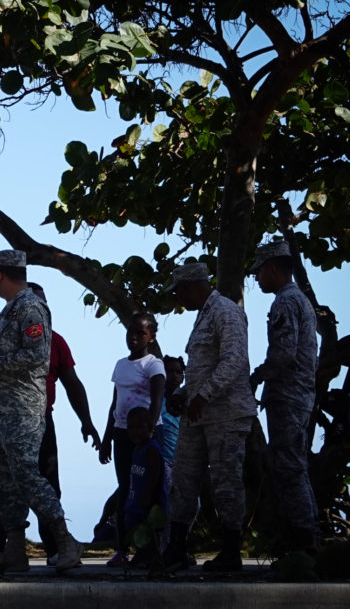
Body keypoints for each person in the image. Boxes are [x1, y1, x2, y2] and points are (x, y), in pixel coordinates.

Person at [0, 249, 83, 573]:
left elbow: (37, 357)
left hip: (22, 410)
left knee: (28, 476)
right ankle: (14, 549)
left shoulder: (31, 307)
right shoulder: (7, 312)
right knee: (4, 483)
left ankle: (64, 542)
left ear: (0, 274)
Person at [162, 262, 258, 572]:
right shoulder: (203, 314)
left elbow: (234, 361)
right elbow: (204, 367)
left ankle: (230, 552)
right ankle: (176, 547)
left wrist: (203, 395)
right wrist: (185, 393)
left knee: (226, 482)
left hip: (226, 416)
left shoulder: (225, 312)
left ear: (190, 287)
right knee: (183, 479)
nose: (179, 300)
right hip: (197, 415)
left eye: (179, 293)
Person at [249, 241, 320, 553]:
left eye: (259, 272)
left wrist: (256, 377)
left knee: (289, 469)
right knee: (295, 466)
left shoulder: (285, 303)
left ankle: (304, 543)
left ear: (273, 269)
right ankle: (305, 539)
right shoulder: (299, 300)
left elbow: (283, 355)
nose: (256, 278)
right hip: (298, 395)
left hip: (288, 396)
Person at [98, 312, 165, 567]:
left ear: (151, 336)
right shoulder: (120, 365)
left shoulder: (153, 365)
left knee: (149, 491)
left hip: (146, 436)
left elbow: (158, 399)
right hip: (122, 433)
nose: (134, 337)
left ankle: (149, 547)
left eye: (141, 333)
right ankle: (121, 548)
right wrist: (107, 438)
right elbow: (115, 402)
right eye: (131, 332)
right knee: (125, 489)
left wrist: (147, 432)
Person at [122, 406, 166, 569]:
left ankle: (151, 557)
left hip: (148, 501)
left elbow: (155, 473)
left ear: (150, 427)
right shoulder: (137, 449)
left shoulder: (152, 449)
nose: (135, 432)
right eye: (131, 427)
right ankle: (141, 555)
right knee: (133, 527)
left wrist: (148, 494)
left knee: (149, 530)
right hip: (135, 499)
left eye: (140, 427)